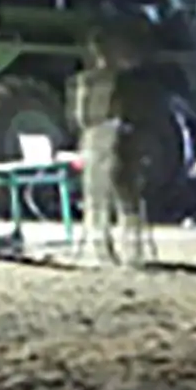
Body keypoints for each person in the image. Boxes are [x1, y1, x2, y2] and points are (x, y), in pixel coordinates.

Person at [67, 36, 154, 267]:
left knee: (103, 198)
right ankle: (126, 253)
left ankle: (109, 252)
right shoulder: (124, 80)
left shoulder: (86, 81)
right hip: (114, 138)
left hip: (101, 140)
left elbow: (79, 117)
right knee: (121, 198)